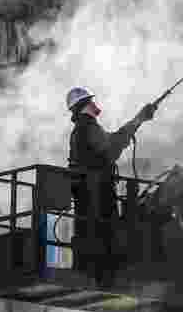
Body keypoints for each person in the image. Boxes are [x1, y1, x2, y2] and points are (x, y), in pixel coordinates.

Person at [66, 86, 156, 287]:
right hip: (98, 200)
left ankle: (107, 268)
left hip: (94, 199)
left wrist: (137, 121)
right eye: (92, 101)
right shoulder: (87, 128)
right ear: (84, 105)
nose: (95, 104)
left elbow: (112, 142)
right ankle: (109, 269)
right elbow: (111, 148)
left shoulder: (84, 129)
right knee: (112, 238)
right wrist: (139, 119)